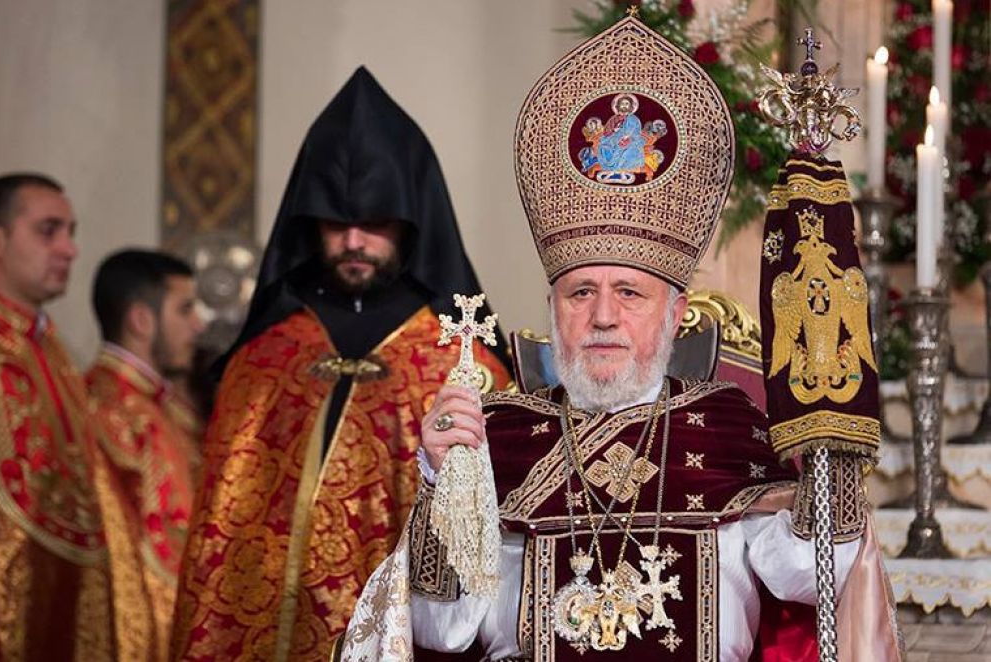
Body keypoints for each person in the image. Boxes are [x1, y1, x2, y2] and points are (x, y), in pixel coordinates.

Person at [342, 16, 901, 661]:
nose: (602, 316)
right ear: (553, 308)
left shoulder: (726, 426)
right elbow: (444, 631)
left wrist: (832, 451)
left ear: (674, 312)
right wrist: (444, 480)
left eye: (630, 293)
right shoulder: (499, 437)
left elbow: (812, 577)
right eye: (581, 293)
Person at [171, 67, 512, 662]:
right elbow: (218, 551)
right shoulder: (264, 357)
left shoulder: (459, 359)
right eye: (337, 223)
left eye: (374, 223)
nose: (354, 241)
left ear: (409, 224)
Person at [0, 174, 155, 660]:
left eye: (72, 232)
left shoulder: (55, 352)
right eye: (48, 230)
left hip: (72, 610)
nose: (69, 249)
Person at [87, 248, 206, 661]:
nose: (199, 324)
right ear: (141, 320)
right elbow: (153, 555)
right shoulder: (112, 409)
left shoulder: (161, 408)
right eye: (185, 309)